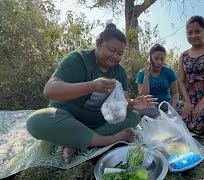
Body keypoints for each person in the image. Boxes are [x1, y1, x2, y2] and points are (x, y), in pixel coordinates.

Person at [26, 23, 157, 163]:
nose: (115, 56)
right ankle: (107, 140)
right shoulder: (77, 59)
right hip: (68, 118)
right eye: (112, 50)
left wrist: (133, 104)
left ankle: (76, 141)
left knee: (134, 117)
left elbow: (122, 104)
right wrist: (91, 86)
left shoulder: (120, 72)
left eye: (120, 53)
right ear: (98, 43)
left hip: (99, 120)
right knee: (35, 122)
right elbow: (49, 91)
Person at [136, 44, 179, 117]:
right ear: (150, 59)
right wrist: (146, 76)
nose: (159, 62)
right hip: (150, 105)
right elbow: (143, 96)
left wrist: (173, 109)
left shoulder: (169, 72)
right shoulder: (141, 73)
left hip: (166, 103)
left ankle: (162, 116)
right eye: (156, 58)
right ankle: (162, 117)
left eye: (162, 59)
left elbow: (175, 93)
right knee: (140, 109)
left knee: (183, 106)